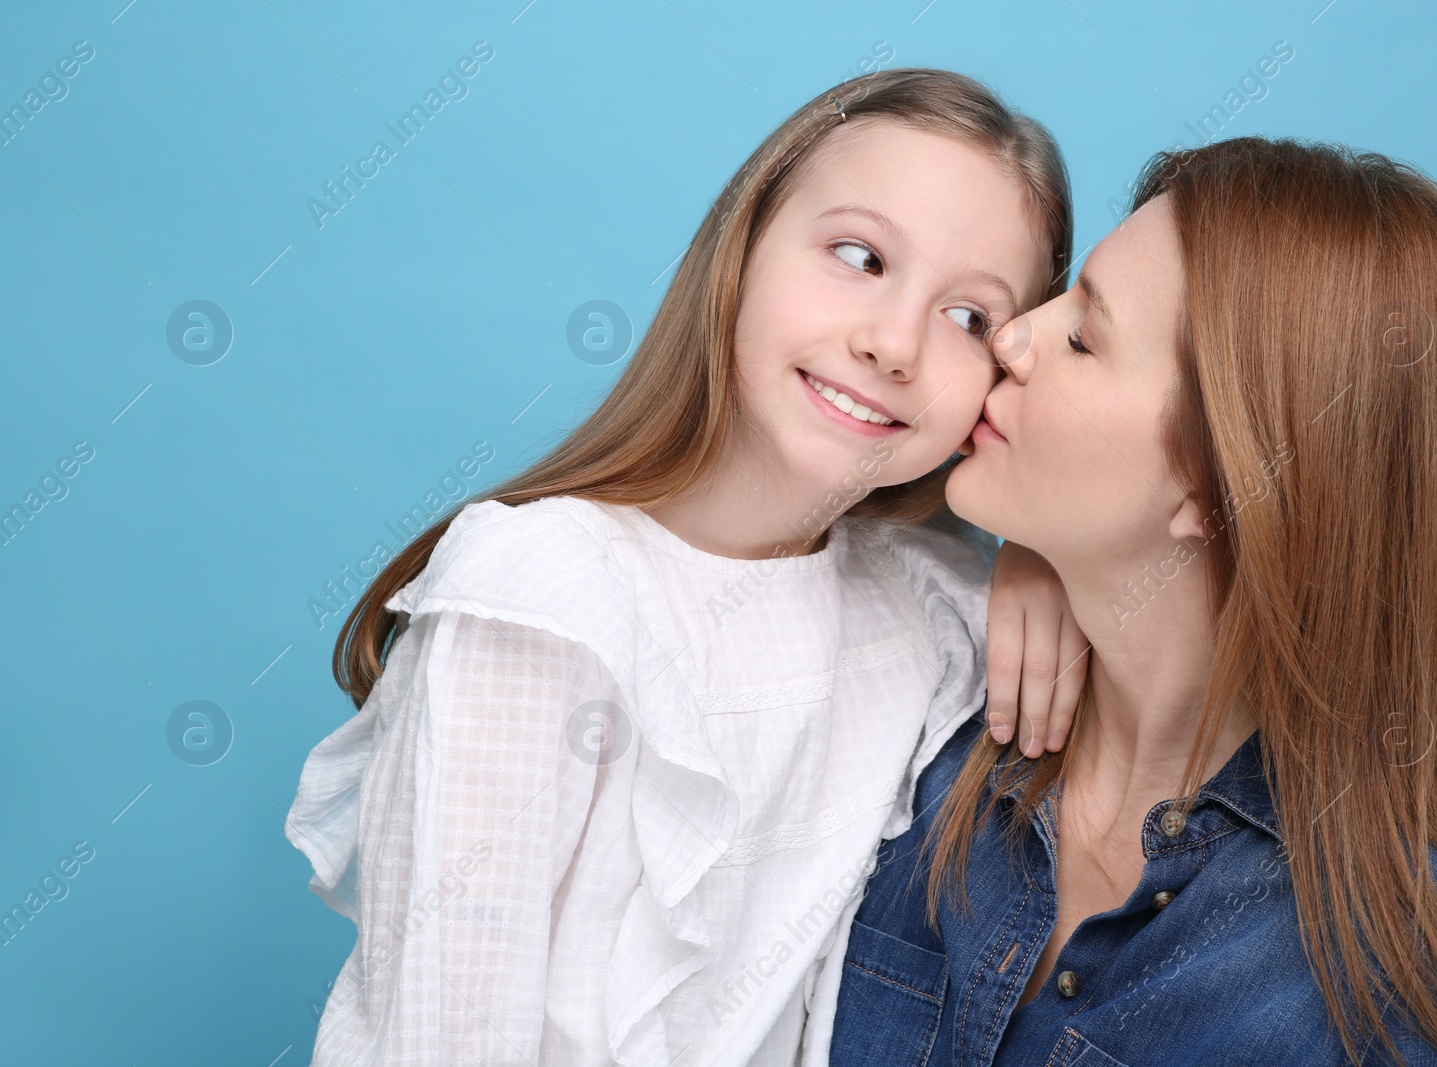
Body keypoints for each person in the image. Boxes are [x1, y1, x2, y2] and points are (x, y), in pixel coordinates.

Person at [283, 68, 1088, 1066]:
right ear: (742, 246)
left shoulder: (925, 603)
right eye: (857, 255)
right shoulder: (543, 593)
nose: (891, 344)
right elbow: (447, 1028)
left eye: (969, 317)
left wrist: (1047, 555)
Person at [828, 136, 1437, 1066]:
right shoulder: (929, 717)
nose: (1010, 335)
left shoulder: (1394, 1006)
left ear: (1222, 481)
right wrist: (1022, 548)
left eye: (1083, 337)